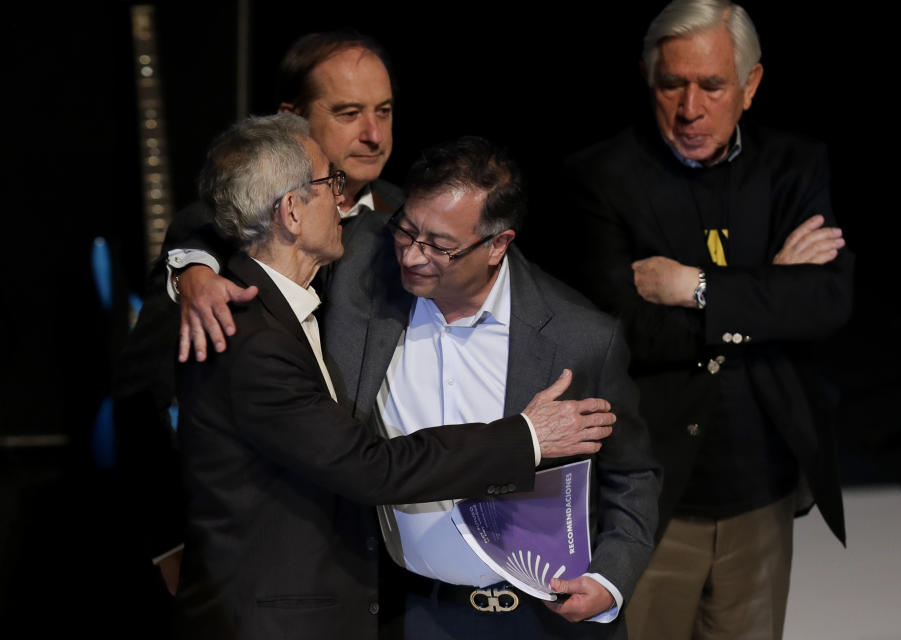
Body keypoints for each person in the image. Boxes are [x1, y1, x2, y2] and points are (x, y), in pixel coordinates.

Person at [176, 114, 616, 640]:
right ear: (292, 212)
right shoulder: (256, 343)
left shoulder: (297, 302)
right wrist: (526, 436)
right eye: (329, 185)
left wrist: (192, 268)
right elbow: (372, 469)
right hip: (276, 618)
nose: (344, 202)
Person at [556, 1, 854, 638]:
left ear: (750, 86)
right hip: (650, 499)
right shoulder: (600, 178)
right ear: (647, 77)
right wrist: (770, 289)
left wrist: (694, 286)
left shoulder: (796, 166)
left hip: (763, 489)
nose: (690, 109)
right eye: (673, 84)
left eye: (713, 86)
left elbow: (826, 302)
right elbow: (623, 332)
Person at [113, 30, 401, 592]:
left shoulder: (413, 218)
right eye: (347, 113)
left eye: (384, 111)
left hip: (376, 558)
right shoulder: (216, 230)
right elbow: (144, 392)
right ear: (291, 117)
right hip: (262, 568)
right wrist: (169, 543)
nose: (373, 135)